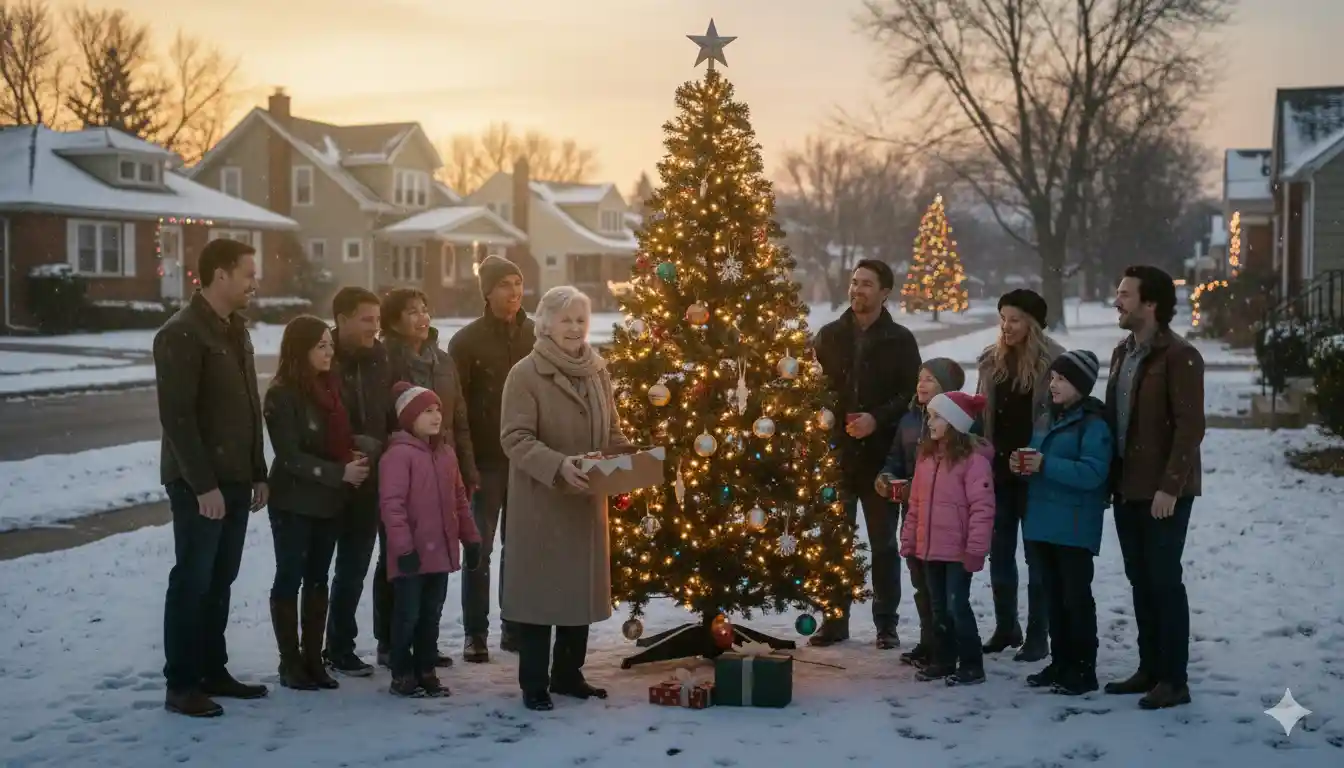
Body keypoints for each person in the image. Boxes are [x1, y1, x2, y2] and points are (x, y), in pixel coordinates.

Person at [498, 286, 634, 711]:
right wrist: (558, 465)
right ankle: (534, 683)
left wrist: (629, 459)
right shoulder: (525, 373)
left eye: (581, 319)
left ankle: (568, 675)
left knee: (578, 592)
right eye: (566, 320)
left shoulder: (598, 370)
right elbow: (514, 438)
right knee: (541, 596)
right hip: (543, 500)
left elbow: (611, 429)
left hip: (586, 502)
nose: (575, 328)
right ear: (545, 324)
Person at [153, 238, 270, 717]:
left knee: (221, 579)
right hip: (200, 484)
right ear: (220, 275)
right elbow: (177, 418)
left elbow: (248, 405)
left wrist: (258, 471)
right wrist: (204, 486)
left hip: (238, 480)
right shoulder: (182, 334)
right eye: (247, 273)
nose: (253, 282)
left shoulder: (235, 330)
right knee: (192, 580)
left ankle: (212, 670)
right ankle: (181, 683)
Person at [1103, 266, 1205, 710]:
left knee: (1164, 581)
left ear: (1151, 304)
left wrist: (1170, 487)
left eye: (1125, 295)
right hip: (1127, 488)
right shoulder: (1121, 353)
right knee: (1140, 580)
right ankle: (1149, 668)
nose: (1117, 301)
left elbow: (1189, 429)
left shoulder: (1179, 356)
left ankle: (1174, 679)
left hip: (1165, 493)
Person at [811, 259, 922, 649]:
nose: (857, 290)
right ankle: (834, 619)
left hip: (881, 459)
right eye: (854, 282)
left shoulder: (901, 340)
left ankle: (885, 623)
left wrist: (877, 419)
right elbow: (814, 390)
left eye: (867, 284)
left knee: (884, 545)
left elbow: (912, 395)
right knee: (833, 543)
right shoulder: (828, 336)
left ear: (885, 293)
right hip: (837, 458)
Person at [376, 288, 478, 670]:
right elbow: (381, 412)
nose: (422, 317)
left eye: (425, 309)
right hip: (405, 465)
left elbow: (460, 418)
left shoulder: (443, 359)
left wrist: (466, 467)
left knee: (434, 567)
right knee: (399, 558)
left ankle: (425, 646)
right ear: (394, 320)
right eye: (411, 312)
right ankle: (391, 642)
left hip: (442, 461)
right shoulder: (387, 358)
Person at [262, 316, 365, 692]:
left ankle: (313, 657)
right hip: (293, 501)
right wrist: (339, 473)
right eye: (320, 345)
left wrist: (352, 456)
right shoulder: (282, 394)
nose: (328, 351)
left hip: (328, 501)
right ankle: (289, 662)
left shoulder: (331, 387)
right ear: (299, 349)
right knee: (290, 576)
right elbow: (289, 455)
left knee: (319, 578)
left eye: (329, 345)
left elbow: (337, 438)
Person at [448, 254, 535, 663]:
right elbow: (455, 408)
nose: (514, 291)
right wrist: (463, 464)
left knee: (518, 548)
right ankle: (475, 633)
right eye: (505, 284)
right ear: (487, 291)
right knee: (478, 549)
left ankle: (513, 626)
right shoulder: (466, 342)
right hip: (484, 461)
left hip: (528, 460)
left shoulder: (537, 335)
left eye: (518, 283)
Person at [976, 289, 1064, 662]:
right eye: (1003, 319)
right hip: (997, 471)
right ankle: (1006, 625)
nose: (1006, 326)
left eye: (1014, 319)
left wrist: (1042, 457)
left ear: (1033, 323)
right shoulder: (990, 362)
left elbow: (1063, 416)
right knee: (999, 551)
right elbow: (982, 414)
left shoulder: (1055, 362)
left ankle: (1037, 634)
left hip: (1036, 472)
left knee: (1036, 555)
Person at [379, 382, 483, 698]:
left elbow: (459, 499)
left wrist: (471, 538)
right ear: (409, 417)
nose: (436, 415)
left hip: (439, 553)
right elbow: (392, 506)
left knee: (430, 614)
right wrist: (404, 548)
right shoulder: (397, 456)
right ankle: (401, 672)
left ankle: (426, 669)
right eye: (427, 411)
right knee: (407, 614)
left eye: (437, 409)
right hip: (411, 554)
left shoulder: (446, 454)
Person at [1019, 350, 1112, 696]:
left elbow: (1093, 473)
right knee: (1053, 598)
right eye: (1053, 378)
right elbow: (1036, 455)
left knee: (1075, 599)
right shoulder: (1047, 419)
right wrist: (1022, 463)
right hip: (1043, 522)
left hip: (1073, 526)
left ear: (1081, 386)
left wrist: (1044, 465)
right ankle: (1060, 662)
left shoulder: (1093, 425)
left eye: (1061, 379)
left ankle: (1083, 668)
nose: (1053, 385)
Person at [323, 287, 396, 677]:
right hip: (329, 478)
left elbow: (384, 410)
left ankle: (340, 646)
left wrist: (382, 446)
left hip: (369, 478)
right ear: (342, 320)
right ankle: (305, 653)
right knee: (314, 573)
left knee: (354, 566)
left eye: (378, 320)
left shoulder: (379, 356)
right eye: (367, 320)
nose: (375, 328)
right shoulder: (321, 355)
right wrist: (352, 445)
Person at [899, 391, 995, 686]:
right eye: (930, 416)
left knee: (957, 605)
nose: (930, 422)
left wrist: (976, 549)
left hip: (957, 552)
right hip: (929, 549)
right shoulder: (926, 458)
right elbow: (915, 504)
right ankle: (943, 659)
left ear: (955, 423)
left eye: (937, 416)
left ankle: (971, 663)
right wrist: (910, 539)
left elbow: (983, 508)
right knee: (938, 606)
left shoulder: (973, 462)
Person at [875, 357, 965, 668]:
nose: (921, 384)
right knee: (919, 579)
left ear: (946, 387)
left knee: (939, 586)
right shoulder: (910, 418)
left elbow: (952, 472)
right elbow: (895, 457)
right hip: (913, 514)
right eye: (920, 377)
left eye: (930, 379)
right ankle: (929, 641)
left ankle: (946, 646)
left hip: (944, 519)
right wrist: (886, 477)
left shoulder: (957, 424)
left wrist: (916, 485)